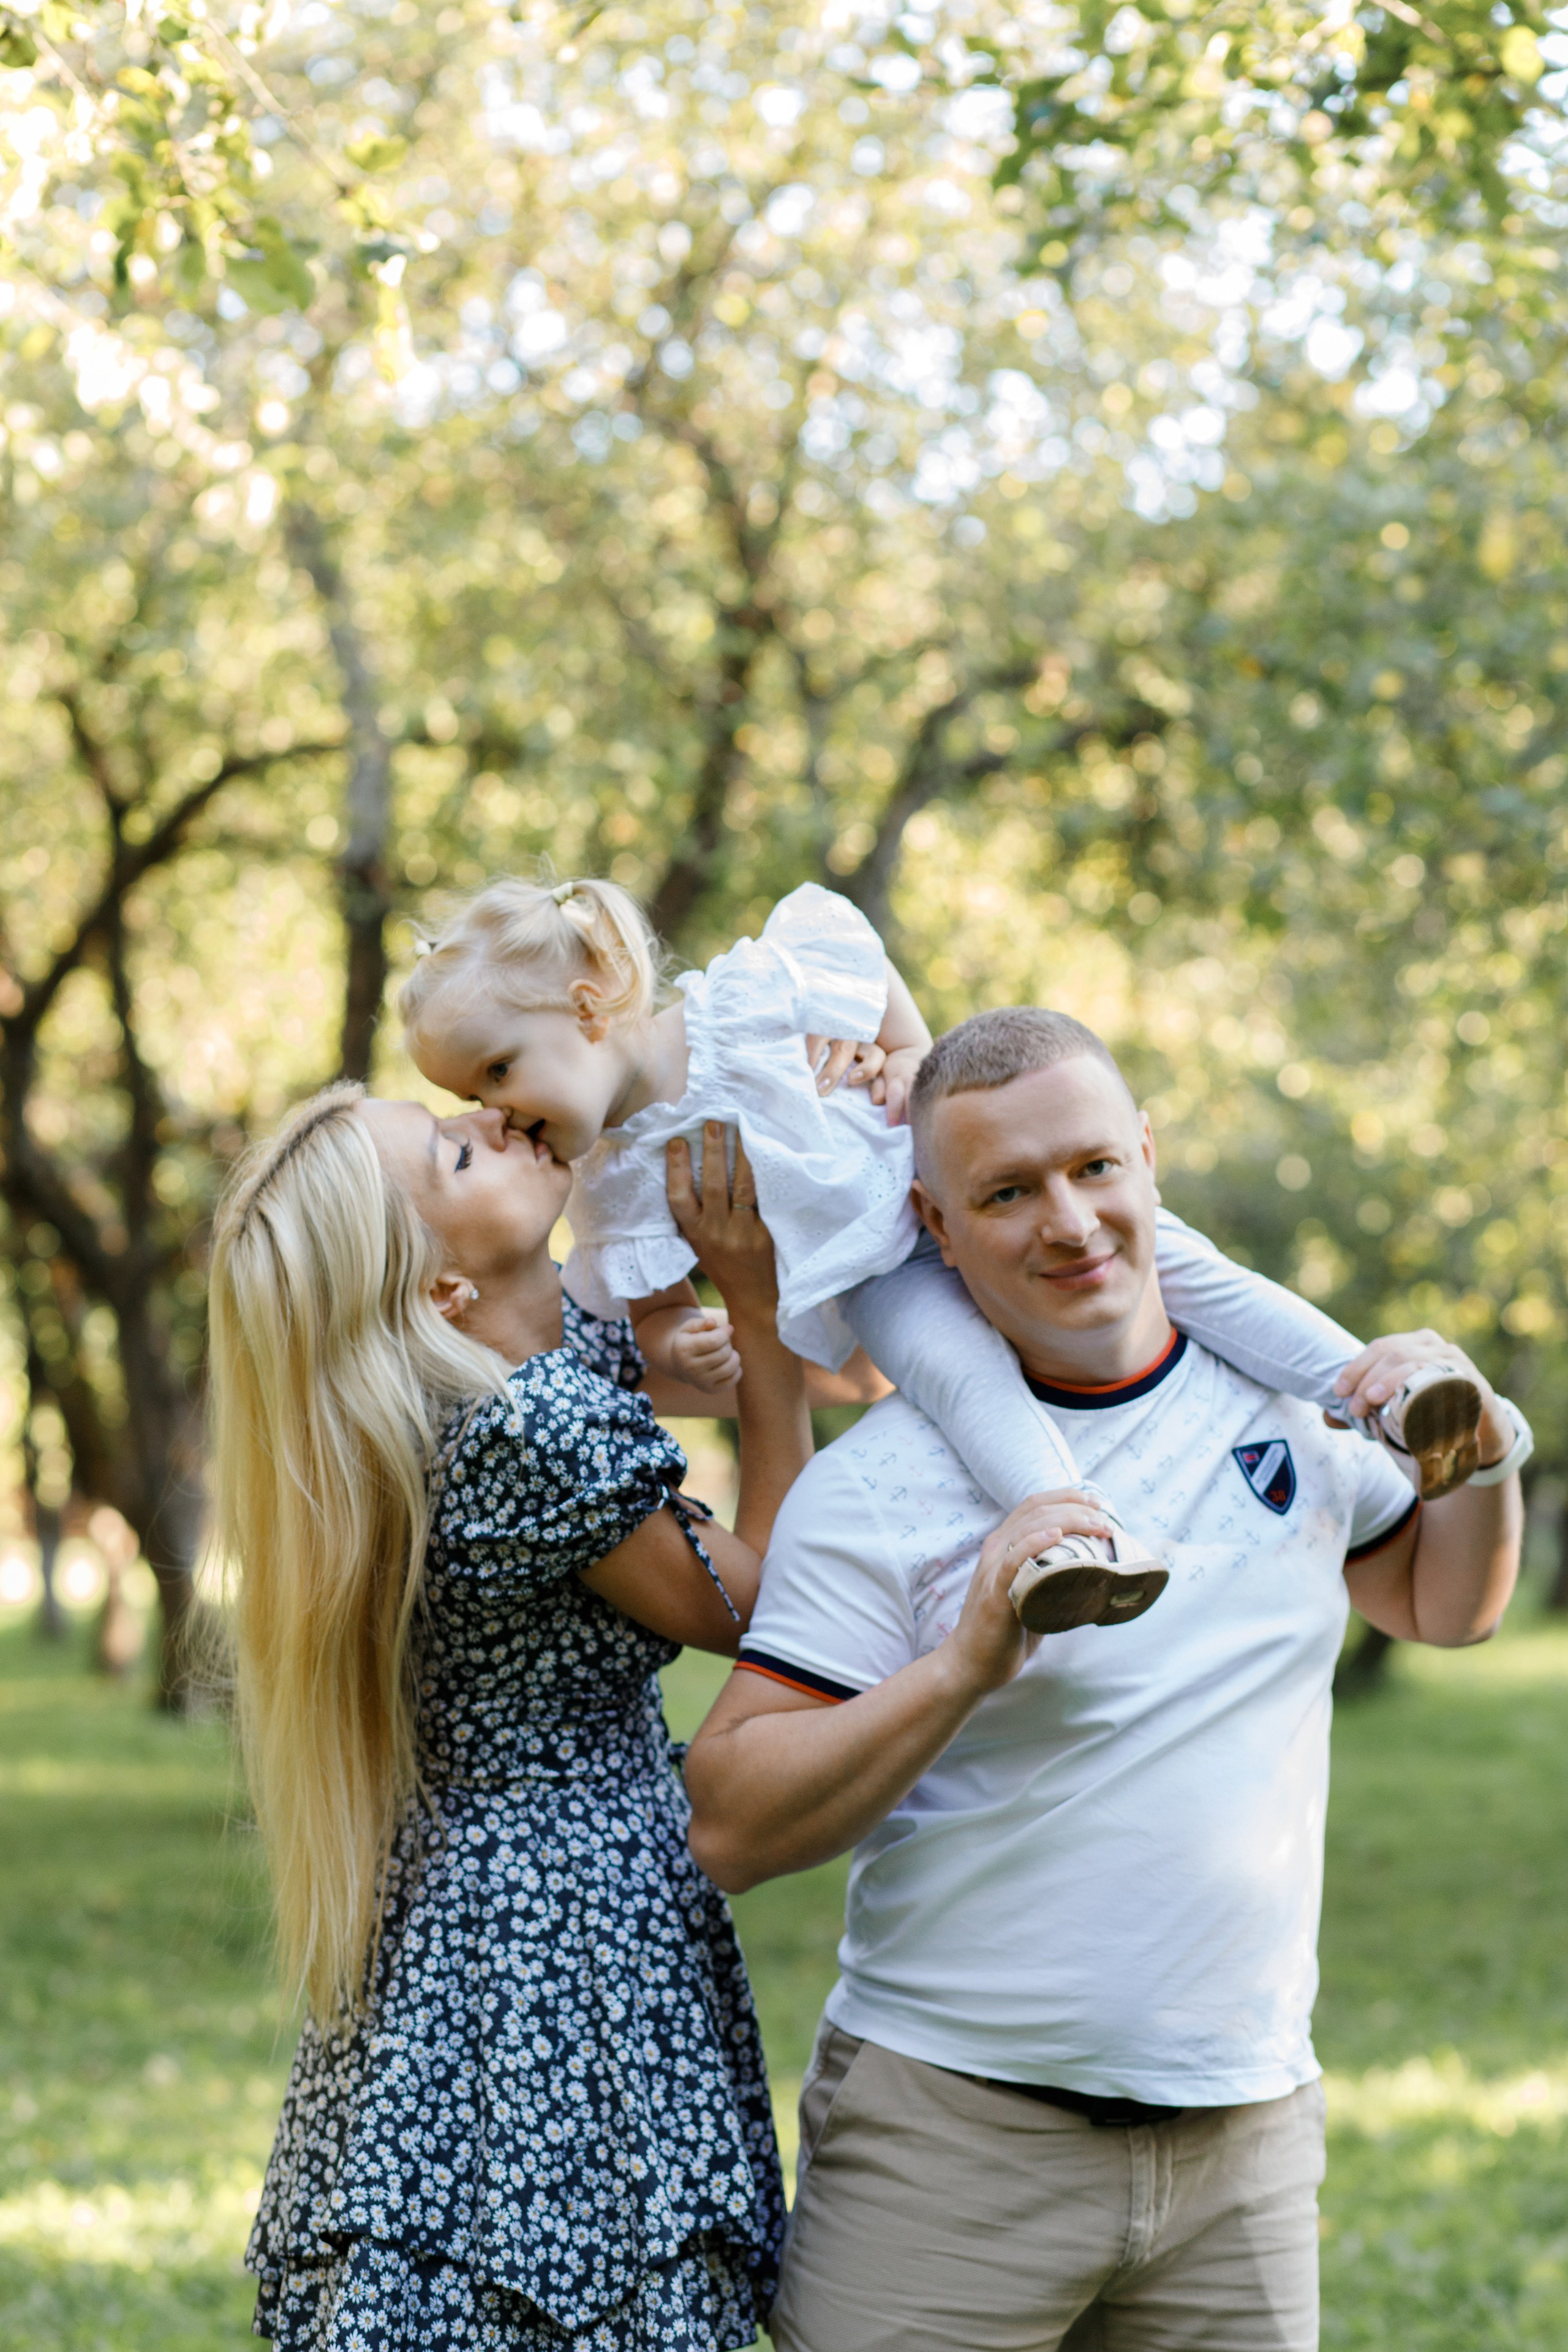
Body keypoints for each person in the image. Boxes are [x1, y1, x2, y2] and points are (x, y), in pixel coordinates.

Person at [682, 1006, 1531, 2352]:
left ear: (1146, 1156)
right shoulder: (882, 1485)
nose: (1067, 1223)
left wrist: (1479, 1460)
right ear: (933, 1223)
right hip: (952, 2142)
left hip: (1242, 2144)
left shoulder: (1288, 1410)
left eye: (1090, 1169)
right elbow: (725, 1819)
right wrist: (965, 1662)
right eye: (1006, 1193)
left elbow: (1442, 1601)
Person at [401, 876, 1488, 1632]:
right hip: (876, 1275)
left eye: (497, 1072)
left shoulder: (746, 997)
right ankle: (1074, 1542)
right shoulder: (615, 1183)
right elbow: (657, 1311)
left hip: (963, 1193)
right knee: (960, 1378)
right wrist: (681, 1326)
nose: (495, 1115)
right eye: (468, 1097)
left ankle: (1392, 1383)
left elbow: (856, 958)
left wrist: (913, 1052)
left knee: (1195, 1275)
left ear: (590, 1007)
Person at [206, 1084, 812, 2351]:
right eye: (457, 1151)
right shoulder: (527, 1429)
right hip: (562, 1942)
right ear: (437, 1291)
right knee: (589, 2283)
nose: (493, 1115)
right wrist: (754, 1312)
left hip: (457, 1930)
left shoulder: (461, 1400)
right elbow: (770, 1602)